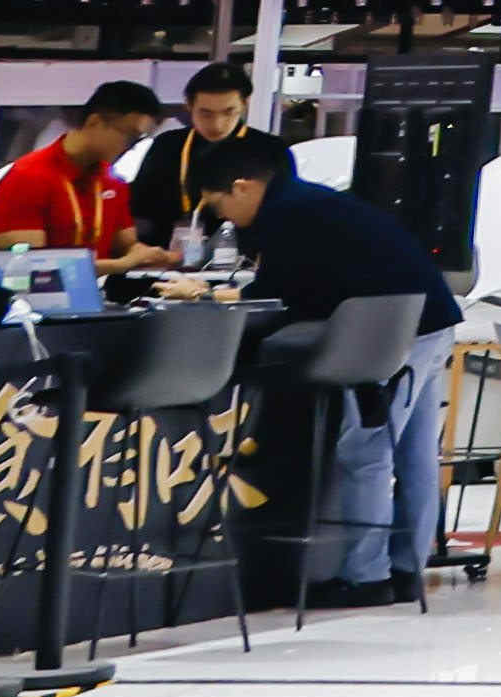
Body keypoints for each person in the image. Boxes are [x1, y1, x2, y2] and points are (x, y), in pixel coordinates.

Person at [183, 136, 463, 600]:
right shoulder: (312, 200)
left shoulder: (285, 214)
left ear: (243, 187)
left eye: (219, 205)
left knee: (367, 453)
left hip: (389, 333)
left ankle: (367, 578)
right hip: (429, 321)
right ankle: (407, 568)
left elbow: (282, 295)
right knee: (413, 455)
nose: (224, 219)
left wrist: (210, 296)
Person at [0, 83, 162, 267]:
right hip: (25, 286)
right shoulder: (27, 177)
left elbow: (127, 245)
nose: (131, 147)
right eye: (130, 136)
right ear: (95, 122)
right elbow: (28, 265)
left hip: (91, 285)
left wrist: (153, 255)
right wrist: (120, 265)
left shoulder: (111, 182)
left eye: (139, 140)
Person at [124, 59, 258, 254]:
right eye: (206, 114)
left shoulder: (269, 150)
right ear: (189, 105)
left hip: (242, 260)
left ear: (245, 104)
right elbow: (139, 207)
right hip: (166, 258)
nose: (217, 125)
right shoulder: (168, 146)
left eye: (229, 112)